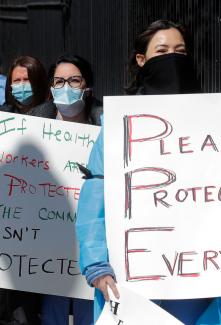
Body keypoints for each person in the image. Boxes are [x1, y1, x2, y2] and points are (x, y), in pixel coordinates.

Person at [76, 20, 221, 325]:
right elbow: (96, 197)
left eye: (180, 51)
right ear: (141, 60)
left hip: (202, 280)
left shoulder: (218, 125)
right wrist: (97, 266)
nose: (173, 57)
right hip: (132, 279)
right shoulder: (120, 127)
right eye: (162, 51)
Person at [41, 54, 102, 325]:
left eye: (74, 80)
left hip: (91, 246)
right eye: (59, 81)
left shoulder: (104, 128)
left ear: (87, 87)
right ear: (51, 88)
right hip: (43, 250)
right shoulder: (33, 127)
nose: (66, 86)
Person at [0, 55, 56, 324]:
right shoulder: (3, 116)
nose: (21, 85)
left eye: (27, 79)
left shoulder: (56, 116)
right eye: (16, 81)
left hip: (42, 223)